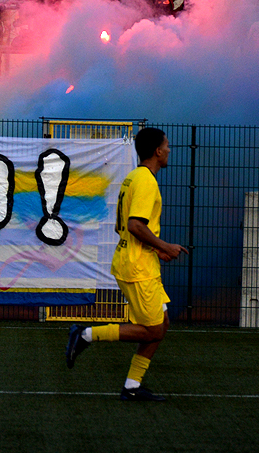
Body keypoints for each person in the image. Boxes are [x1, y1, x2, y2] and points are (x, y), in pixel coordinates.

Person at [66, 127, 187, 402]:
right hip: (137, 267)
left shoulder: (134, 177)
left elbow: (134, 227)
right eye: (167, 145)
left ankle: (132, 387)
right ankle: (85, 334)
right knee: (154, 329)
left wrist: (158, 249)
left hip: (139, 262)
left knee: (162, 325)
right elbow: (134, 225)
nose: (169, 150)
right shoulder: (145, 181)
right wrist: (164, 246)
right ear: (157, 150)